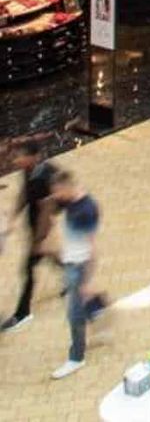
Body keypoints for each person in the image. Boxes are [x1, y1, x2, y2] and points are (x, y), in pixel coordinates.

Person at [49, 169, 107, 380]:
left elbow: (92, 248)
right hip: (70, 262)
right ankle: (97, 310)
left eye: (57, 191)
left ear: (66, 188)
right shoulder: (72, 201)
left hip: (79, 265)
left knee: (73, 315)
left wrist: (87, 280)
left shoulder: (86, 210)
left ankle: (76, 358)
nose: (55, 196)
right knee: (79, 302)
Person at [0, 141, 60, 333]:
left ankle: (22, 313)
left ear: (33, 157)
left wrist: (39, 240)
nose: (15, 159)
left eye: (20, 156)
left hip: (42, 228)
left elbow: (47, 211)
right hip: (33, 224)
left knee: (27, 269)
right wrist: (12, 218)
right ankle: (71, 275)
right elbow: (24, 194)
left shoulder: (45, 177)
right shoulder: (29, 170)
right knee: (48, 256)